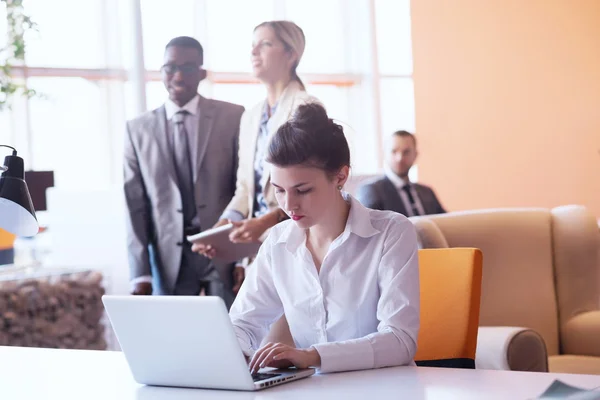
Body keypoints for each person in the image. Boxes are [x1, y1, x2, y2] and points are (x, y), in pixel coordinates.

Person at [226, 103, 420, 374]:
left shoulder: (392, 233)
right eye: (279, 190)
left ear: (340, 176)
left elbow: (400, 340)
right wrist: (241, 354)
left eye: (302, 190)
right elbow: (242, 323)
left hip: (383, 389)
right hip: (313, 391)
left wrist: (314, 356)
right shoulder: (278, 242)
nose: (289, 205)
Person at [123, 36, 244, 307]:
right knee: (174, 343)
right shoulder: (137, 129)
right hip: (168, 260)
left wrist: (246, 257)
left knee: (235, 339)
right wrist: (140, 272)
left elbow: (246, 189)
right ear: (161, 71)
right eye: (170, 67)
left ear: (201, 73)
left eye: (189, 68)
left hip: (224, 253)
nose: (178, 75)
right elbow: (135, 205)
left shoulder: (233, 117)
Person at [195, 21, 319, 279]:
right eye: (252, 46)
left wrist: (265, 222)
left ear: (291, 53)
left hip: (298, 240)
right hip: (260, 248)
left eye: (264, 44)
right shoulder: (250, 117)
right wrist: (223, 227)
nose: (253, 52)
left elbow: (313, 186)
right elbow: (244, 187)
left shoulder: (307, 108)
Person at [357, 130, 446, 216]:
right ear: (385, 154)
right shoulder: (372, 190)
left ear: (415, 155)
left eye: (406, 152)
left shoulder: (427, 192)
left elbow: (447, 224)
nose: (399, 158)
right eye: (394, 151)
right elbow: (368, 228)